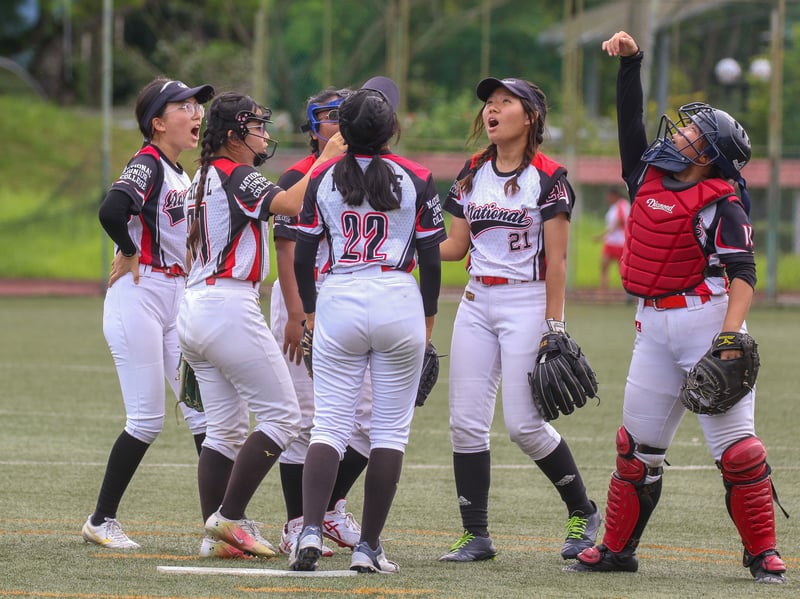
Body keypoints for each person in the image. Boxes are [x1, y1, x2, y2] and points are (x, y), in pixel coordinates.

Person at [564, 31, 786, 584]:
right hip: (653, 324)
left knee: (736, 451)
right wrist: (630, 65)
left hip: (706, 320)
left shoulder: (723, 204)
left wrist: (730, 337)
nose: (679, 131)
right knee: (636, 450)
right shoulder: (646, 175)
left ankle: (762, 554)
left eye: (691, 130)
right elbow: (629, 123)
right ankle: (616, 549)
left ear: (709, 154)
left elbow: (743, 274)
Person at [437, 76, 601, 563]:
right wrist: (407, 244)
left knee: (525, 426)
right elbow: (454, 247)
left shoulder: (549, 177)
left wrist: (556, 326)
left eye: (504, 103)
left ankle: (583, 510)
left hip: (526, 303)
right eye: (489, 103)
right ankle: (476, 534)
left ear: (529, 117)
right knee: (465, 423)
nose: (492, 110)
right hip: (475, 302)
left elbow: (559, 260)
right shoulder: (471, 171)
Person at [177, 91, 345, 559]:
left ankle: (217, 538)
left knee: (224, 430)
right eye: (257, 127)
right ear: (234, 134)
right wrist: (326, 157)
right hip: (228, 302)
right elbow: (291, 204)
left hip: (195, 303)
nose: (266, 135)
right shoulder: (235, 173)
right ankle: (229, 518)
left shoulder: (201, 175)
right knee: (286, 417)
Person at [289, 76, 446, 573]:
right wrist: (428, 318)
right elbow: (431, 256)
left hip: (340, 296)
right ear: (391, 129)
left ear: (343, 131)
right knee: (388, 433)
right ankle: (368, 547)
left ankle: (309, 530)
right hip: (397, 297)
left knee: (329, 425)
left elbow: (304, 252)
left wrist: (310, 310)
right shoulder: (417, 175)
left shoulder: (322, 176)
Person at [83, 78, 214, 551]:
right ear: (157, 123)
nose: (196, 112)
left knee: (203, 414)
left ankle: (218, 526)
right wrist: (129, 249)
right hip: (139, 294)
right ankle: (101, 520)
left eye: (197, 105)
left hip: (175, 295)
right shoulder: (148, 162)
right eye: (183, 106)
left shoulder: (182, 173)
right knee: (146, 419)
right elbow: (112, 209)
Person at [271, 87, 369, 557]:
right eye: (328, 117)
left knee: (366, 419)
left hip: (345, 298)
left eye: (343, 116)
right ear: (313, 129)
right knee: (306, 417)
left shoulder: (363, 174)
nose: (337, 124)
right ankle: (296, 524)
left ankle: (327, 511)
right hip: (301, 299)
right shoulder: (299, 175)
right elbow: (287, 250)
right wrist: (295, 315)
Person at [595, 185, 630, 291]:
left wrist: (602, 235)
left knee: (623, 270)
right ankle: (603, 292)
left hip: (620, 242)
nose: (607, 198)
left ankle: (628, 293)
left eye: (609, 196)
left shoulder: (622, 205)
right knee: (603, 265)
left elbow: (619, 222)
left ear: (614, 196)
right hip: (610, 242)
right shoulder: (614, 206)